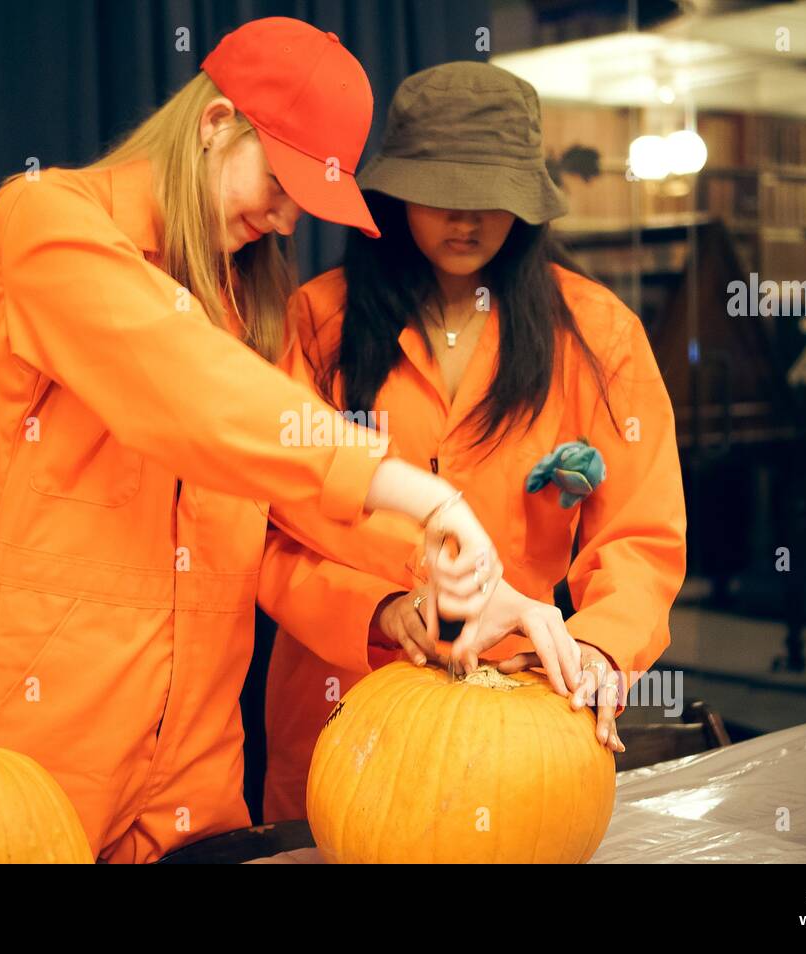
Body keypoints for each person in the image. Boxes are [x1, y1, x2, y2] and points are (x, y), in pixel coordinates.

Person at [0, 19, 501, 863]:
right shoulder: (45, 223)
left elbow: (297, 491)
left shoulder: (245, 304)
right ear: (217, 122)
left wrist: (439, 568)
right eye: (283, 183)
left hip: (196, 768)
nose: (289, 221)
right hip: (34, 740)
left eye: (310, 201)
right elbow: (189, 393)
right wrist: (426, 492)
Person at [259, 61, 687, 823]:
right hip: (339, 709)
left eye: (493, 199)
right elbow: (269, 532)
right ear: (393, 193)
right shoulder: (316, 324)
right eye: (442, 196)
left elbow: (641, 537)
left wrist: (597, 648)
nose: (468, 221)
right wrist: (384, 606)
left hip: (517, 726)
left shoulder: (598, 335)